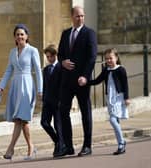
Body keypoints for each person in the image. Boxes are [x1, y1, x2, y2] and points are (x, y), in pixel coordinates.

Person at [0, 24, 43, 160]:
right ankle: (31, 147)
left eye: (22, 34)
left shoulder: (33, 50)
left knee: (21, 120)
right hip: (16, 87)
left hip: (27, 86)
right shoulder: (12, 52)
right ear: (14, 38)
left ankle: (11, 149)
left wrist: (40, 90)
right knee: (20, 120)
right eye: (17, 34)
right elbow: (8, 71)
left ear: (27, 36)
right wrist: (0, 88)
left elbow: (38, 71)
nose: (20, 36)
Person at [57, 6, 97, 157]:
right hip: (67, 81)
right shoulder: (66, 33)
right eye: (77, 16)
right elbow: (60, 54)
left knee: (85, 113)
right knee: (62, 112)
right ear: (72, 17)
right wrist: (62, 63)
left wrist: (85, 76)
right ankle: (68, 146)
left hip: (82, 81)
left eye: (82, 16)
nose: (80, 18)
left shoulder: (89, 33)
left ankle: (87, 146)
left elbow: (92, 57)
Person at [88, 48, 130, 155]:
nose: (109, 60)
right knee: (115, 121)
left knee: (112, 120)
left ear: (116, 58)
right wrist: (86, 82)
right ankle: (121, 144)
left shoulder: (121, 69)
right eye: (107, 59)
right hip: (109, 97)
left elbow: (125, 84)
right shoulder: (106, 70)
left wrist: (126, 98)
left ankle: (122, 142)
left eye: (111, 58)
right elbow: (98, 80)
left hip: (118, 97)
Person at [41, 44, 64, 157]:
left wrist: (61, 99)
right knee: (44, 122)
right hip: (47, 101)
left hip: (57, 101)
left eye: (50, 56)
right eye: (47, 57)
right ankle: (58, 141)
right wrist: (44, 99)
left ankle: (60, 146)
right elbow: (45, 86)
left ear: (55, 55)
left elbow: (62, 86)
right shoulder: (45, 70)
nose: (49, 59)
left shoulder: (60, 67)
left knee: (57, 124)